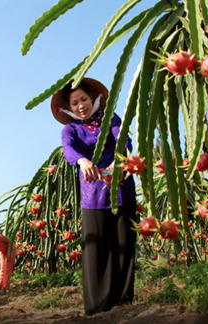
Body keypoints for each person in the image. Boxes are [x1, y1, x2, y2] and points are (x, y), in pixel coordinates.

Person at [51, 78, 137, 315]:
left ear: (93, 99)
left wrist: (120, 162)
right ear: (69, 107)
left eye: (84, 100)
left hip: (121, 186)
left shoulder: (111, 118)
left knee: (124, 242)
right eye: (75, 102)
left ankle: (123, 304)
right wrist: (80, 159)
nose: (81, 106)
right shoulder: (71, 130)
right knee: (96, 248)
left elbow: (124, 140)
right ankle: (98, 307)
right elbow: (68, 149)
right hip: (93, 194)